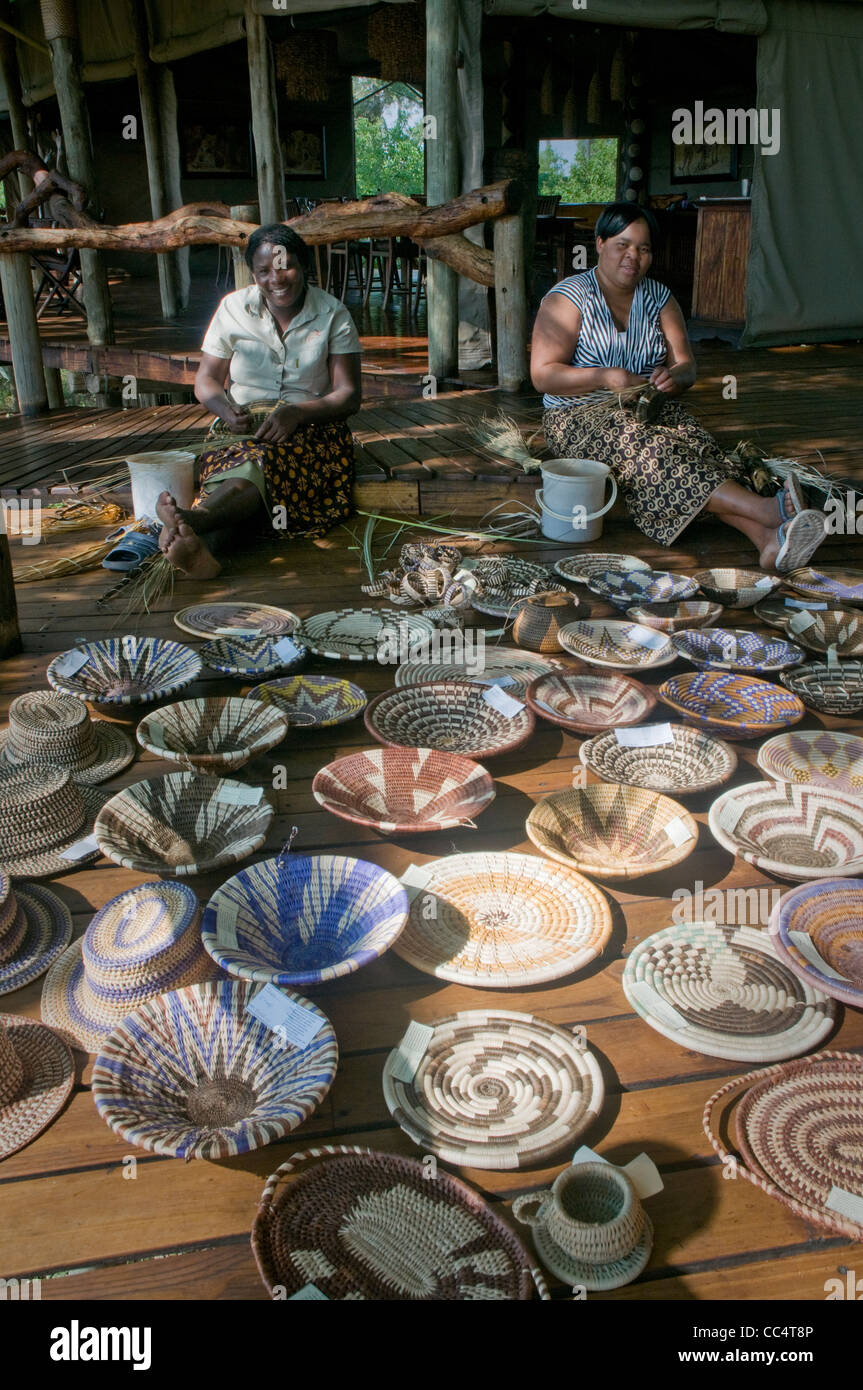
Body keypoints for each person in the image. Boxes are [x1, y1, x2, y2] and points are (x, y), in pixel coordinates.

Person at [529, 202, 826, 571]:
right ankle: (768, 510)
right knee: (655, 455)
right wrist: (603, 376)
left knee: (700, 448)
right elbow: (542, 375)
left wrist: (674, 378)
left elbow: (686, 367)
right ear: (600, 243)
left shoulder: (659, 298)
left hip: (649, 405)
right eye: (623, 244)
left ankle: (766, 540)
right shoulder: (567, 298)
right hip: (578, 417)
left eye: (644, 248)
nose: (633, 256)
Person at [157, 224, 362, 578]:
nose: (276, 279)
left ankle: (197, 519)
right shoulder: (233, 309)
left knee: (261, 460)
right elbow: (206, 380)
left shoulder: (332, 314)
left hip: (313, 429)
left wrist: (296, 413)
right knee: (246, 462)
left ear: (304, 266)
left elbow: (349, 395)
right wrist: (224, 409)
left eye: (285, 266)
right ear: (253, 273)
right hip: (242, 427)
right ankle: (203, 549)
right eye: (264, 271)